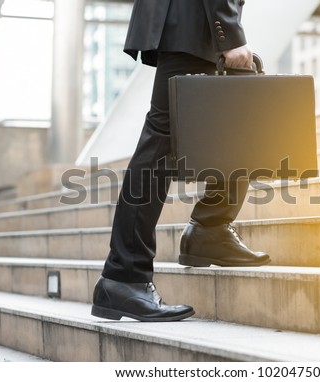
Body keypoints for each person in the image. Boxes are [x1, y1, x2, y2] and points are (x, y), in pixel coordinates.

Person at [91, 0, 270, 322]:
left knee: (234, 125)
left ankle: (210, 230)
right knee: (160, 144)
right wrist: (229, 33)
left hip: (191, 24)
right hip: (192, 22)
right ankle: (123, 276)